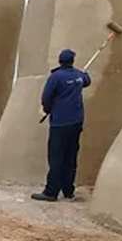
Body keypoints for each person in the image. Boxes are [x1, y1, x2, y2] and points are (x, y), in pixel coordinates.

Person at [32, 49, 91, 202]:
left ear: (60, 61)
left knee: (56, 157)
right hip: (76, 122)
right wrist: (84, 73)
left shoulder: (56, 77)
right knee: (71, 157)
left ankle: (51, 192)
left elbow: (46, 97)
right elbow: (87, 81)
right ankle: (68, 190)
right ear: (72, 61)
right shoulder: (79, 76)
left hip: (59, 123)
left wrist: (47, 109)